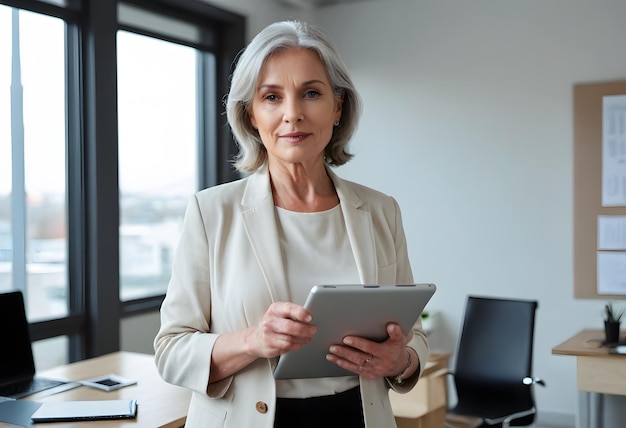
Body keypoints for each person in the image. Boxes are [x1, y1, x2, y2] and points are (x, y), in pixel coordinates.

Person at [154, 20, 429, 428]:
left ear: (338, 107)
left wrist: (401, 359)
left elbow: (414, 335)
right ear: (250, 115)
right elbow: (171, 351)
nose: (293, 114)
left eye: (311, 93)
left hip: (358, 417)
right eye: (272, 97)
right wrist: (253, 340)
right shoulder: (211, 212)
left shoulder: (381, 210)